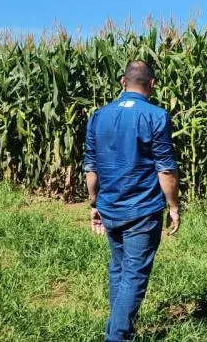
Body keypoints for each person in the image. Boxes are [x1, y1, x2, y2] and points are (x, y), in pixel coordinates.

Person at [84, 60, 180, 342]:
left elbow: (91, 167)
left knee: (119, 269)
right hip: (142, 210)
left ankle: (117, 328)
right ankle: (117, 336)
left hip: (110, 207)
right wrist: (174, 206)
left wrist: (94, 204)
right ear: (152, 84)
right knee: (134, 274)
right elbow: (166, 169)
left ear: (122, 82)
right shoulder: (156, 116)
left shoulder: (99, 116)